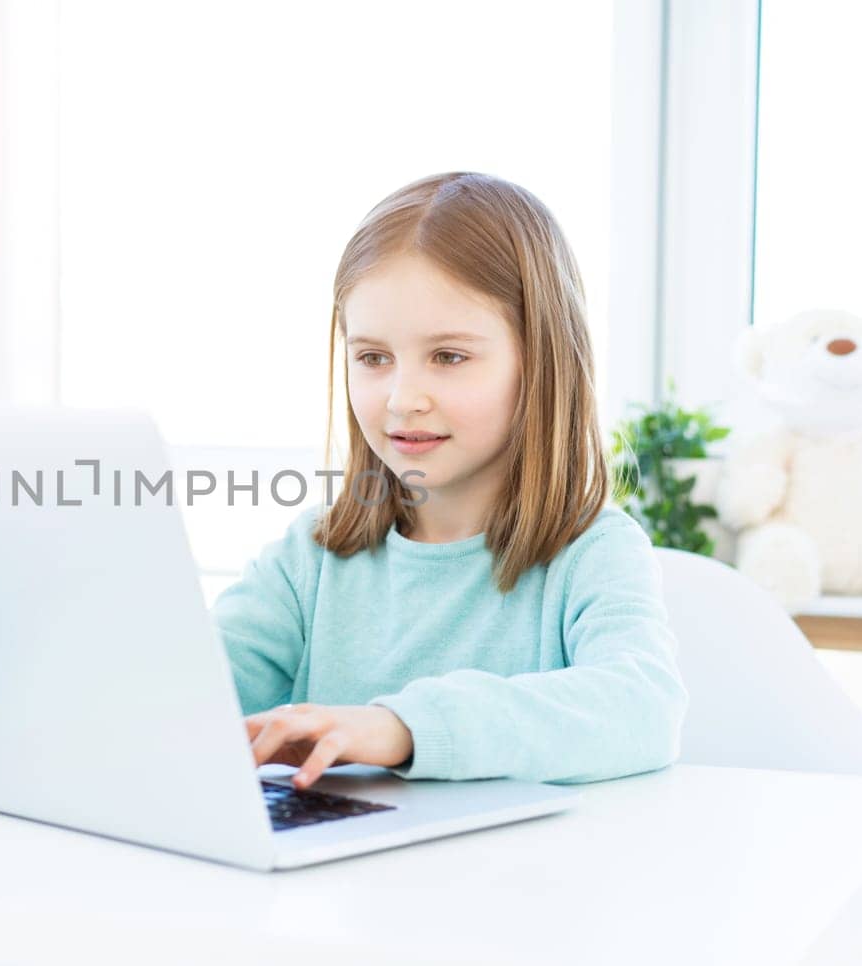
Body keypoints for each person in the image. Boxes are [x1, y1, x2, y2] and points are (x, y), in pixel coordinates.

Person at [213, 172, 688, 791]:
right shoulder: (311, 560)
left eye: (449, 357)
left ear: (540, 363)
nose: (403, 398)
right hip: (334, 884)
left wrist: (403, 727)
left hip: (525, 883)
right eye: (373, 358)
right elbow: (187, 695)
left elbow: (642, 708)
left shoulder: (592, 552)